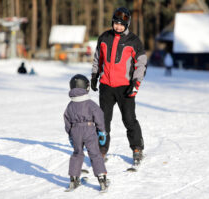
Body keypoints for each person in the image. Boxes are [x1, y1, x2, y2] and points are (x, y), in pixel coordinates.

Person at [91, 7, 147, 164]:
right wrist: (94, 76)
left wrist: (135, 83)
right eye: (116, 23)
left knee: (129, 119)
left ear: (127, 24)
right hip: (106, 87)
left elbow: (141, 64)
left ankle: (137, 148)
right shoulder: (104, 37)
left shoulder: (133, 41)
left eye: (122, 24)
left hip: (125, 87)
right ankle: (101, 150)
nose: (118, 27)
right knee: (103, 121)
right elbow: (97, 59)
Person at [64, 74, 109, 191]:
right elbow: (99, 116)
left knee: (77, 154)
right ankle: (102, 178)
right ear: (86, 87)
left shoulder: (70, 105)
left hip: (75, 131)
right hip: (89, 130)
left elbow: (67, 120)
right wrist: (102, 131)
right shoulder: (90, 103)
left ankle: (73, 179)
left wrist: (70, 135)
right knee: (95, 154)